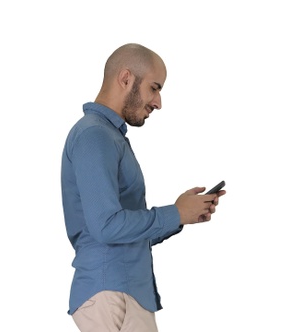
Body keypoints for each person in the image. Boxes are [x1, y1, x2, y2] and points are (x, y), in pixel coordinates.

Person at [60, 43, 226, 332]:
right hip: (111, 294)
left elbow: (123, 231)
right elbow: (106, 226)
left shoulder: (107, 136)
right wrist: (174, 213)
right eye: (154, 88)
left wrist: (181, 216)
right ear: (125, 79)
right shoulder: (94, 136)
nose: (158, 102)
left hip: (122, 292)